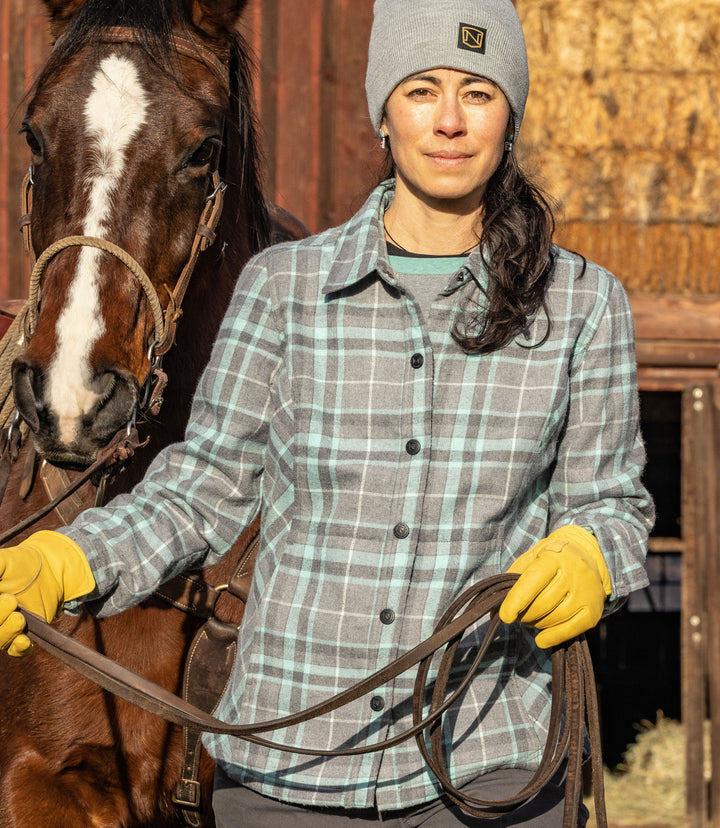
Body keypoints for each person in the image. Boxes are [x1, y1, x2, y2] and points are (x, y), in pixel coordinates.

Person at [0, 0, 653, 825]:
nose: (448, 121)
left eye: (478, 93)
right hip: (286, 780)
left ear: (510, 113)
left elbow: (614, 506)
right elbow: (201, 492)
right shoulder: (282, 289)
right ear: (383, 111)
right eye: (421, 89)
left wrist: (594, 553)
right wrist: (70, 561)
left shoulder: (586, 307)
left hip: (486, 767)